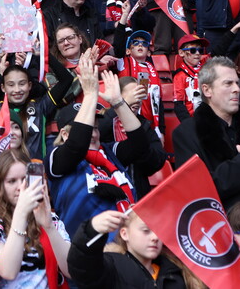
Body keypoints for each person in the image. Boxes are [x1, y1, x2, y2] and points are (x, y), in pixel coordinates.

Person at [48, 51, 167, 237]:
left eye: (95, 128)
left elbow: (139, 145)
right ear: (64, 134)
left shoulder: (109, 151)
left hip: (126, 243)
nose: (92, 133)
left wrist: (119, 104)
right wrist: (89, 95)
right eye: (88, 128)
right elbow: (77, 145)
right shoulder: (56, 157)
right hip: (88, 249)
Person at [173, 56, 240, 210]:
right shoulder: (186, 133)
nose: (237, 89)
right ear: (207, 90)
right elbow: (197, 192)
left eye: (237, 83)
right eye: (228, 83)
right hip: (216, 226)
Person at [0, 150, 71, 288]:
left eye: (25, 179)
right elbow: (8, 271)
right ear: (0, 186)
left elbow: (71, 269)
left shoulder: (51, 218)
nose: (21, 187)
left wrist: (49, 227)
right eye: (12, 181)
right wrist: (21, 213)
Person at [68, 209, 196, 289]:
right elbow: (82, 268)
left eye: (159, 231)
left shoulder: (177, 273)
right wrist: (91, 230)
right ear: (124, 234)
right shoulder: (112, 267)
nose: (155, 237)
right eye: (146, 231)